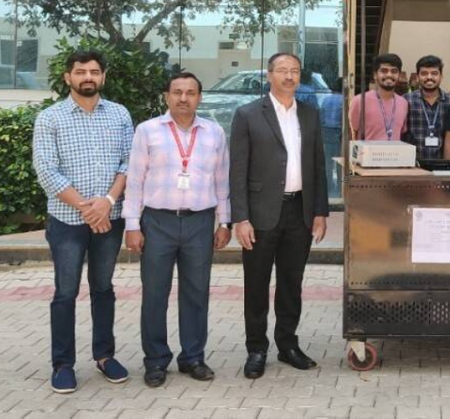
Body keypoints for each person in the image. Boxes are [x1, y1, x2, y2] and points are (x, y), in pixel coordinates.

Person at [32, 49, 133, 394]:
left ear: (103, 76)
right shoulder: (50, 118)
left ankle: (104, 357)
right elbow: (47, 171)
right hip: (66, 222)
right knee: (66, 291)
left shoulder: (119, 115)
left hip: (110, 218)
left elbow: (128, 164)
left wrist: (106, 203)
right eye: (80, 71)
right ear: (68, 77)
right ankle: (63, 364)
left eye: (93, 71)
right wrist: (87, 210)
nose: (87, 77)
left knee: (103, 288)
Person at [123, 72, 231, 388]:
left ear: (200, 97)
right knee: (155, 294)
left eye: (191, 92)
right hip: (157, 222)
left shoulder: (214, 133)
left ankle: (193, 357)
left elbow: (222, 181)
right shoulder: (147, 131)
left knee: (196, 293)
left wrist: (224, 222)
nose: (183, 98)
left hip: (200, 222)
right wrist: (132, 225)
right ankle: (155, 361)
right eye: (177, 92)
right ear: (167, 96)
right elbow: (134, 180)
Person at [230, 53, 329, 378]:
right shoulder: (247, 114)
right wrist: (240, 218)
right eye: (283, 70)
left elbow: (317, 165)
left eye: (295, 71)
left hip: (299, 211)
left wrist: (320, 212)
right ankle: (256, 349)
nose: (289, 76)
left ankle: (287, 344)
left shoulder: (311, 115)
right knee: (256, 285)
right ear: (270, 75)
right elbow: (238, 170)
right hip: (260, 214)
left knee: (292, 283)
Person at [349, 53, 409, 143]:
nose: (389, 75)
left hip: (395, 156)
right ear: (375, 75)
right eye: (384, 71)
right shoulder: (359, 101)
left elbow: (401, 133)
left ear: (399, 76)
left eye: (394, 71)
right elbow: (351, 134)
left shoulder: (404, 103)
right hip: (367, 156)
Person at [404, 55, 450, 160]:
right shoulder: (406, 101)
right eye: (424, 73)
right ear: (417, 77)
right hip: (413, 164)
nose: (429, 77)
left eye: (434, 73)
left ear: (441, 76)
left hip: (442, 164)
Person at [320, 77, 344, 198]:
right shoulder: (344, 100)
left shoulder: (326, 100)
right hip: (339, 133)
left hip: (326, 132)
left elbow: (321, 117)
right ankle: (340, 188)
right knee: (340, 162)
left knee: (328, 162)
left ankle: (329, 186)